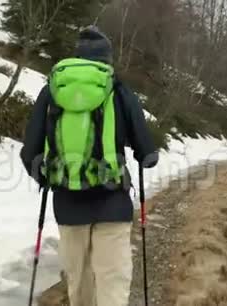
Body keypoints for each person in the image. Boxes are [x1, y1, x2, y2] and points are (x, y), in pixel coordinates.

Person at [20, 25, 158, 306]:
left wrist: (48, 178)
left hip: (68, 205)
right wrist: (145, 156)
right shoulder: (118, 90)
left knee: (79, 282)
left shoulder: (52, 90)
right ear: (107, 60)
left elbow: (29, 153)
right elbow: (147, 151)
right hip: (113, 203)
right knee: (112, 281)